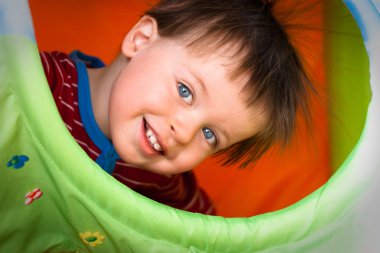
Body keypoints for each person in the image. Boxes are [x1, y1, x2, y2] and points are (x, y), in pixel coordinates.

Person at [39, 0, 312, 215]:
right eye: (185, 91)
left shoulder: (165, 184)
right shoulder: (44, 82)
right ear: (141, 40)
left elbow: (205, 237)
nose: (183, 133)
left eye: (209, 134)